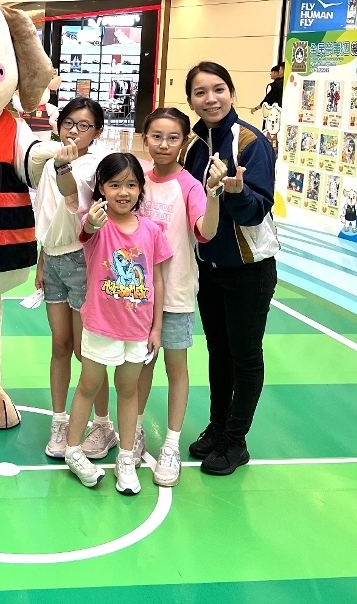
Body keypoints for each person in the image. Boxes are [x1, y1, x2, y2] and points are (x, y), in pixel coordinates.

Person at [182, 61, 280, 476]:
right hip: (209, 268)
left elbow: (258, 210)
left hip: (248, 269)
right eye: (200, 92)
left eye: (218, 89)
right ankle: (218, 426)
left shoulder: (250, 142)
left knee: (245, 356)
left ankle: (236, 440)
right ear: (191, 101)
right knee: (218, 352)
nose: (211, 99)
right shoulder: (193, 146)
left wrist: (236, 193)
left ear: (232, 93)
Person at [63, 153, 171, 496]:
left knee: (128, 389)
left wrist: (156, 328)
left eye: (131, 185)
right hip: (100, 325)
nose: (123, 192)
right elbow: (87, 231)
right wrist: (93, 223)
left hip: (138, 330)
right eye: (114, 185)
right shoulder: (96, 224)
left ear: (140, 189)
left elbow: (157, 280)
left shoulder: (152, 231)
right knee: (88, 385)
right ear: (101, 188)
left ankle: (125, 457)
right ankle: (72, 450)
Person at [135, 108, 223, 487]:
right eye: (157, 136)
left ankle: (170, 445)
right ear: (145, 139)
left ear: (184, 142)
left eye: (173, 137)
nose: (164, 144)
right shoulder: (138, 180)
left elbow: (206, 231)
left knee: (175, 367)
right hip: (138, 295)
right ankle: (134, 431)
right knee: (140, 367)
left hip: (175, 293)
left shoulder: (190, 186)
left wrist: (215, 193)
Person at [33, 97, 117, 461]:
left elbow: (74, 198)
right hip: (53, 260)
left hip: (82, 260)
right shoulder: (52, 161)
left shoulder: (94, 165)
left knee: (88, 351)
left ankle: (103, 424)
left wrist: (62, 167)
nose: (74, 131)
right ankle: (59, 421)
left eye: (84, 126)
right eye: (68, 123)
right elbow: (48, 216)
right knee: (60, 345)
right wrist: (42, 260)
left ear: (97, 132)